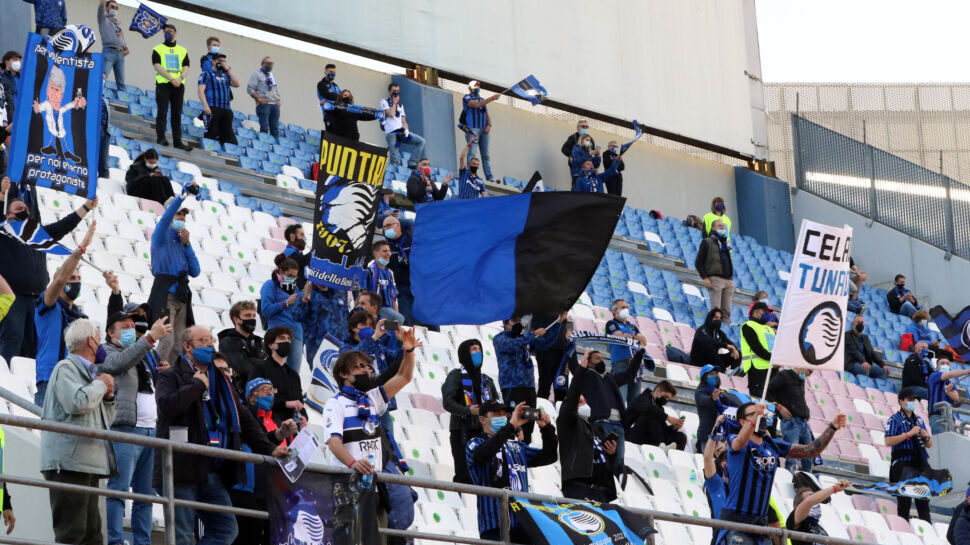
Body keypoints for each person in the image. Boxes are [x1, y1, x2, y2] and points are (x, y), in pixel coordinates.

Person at [155, 326, 289, 544]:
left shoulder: (222, 381)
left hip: (213, 472)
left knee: (226, 530)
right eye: (204, 341)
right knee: (181, 535)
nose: (210, 346)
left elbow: (244, 418)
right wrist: (196, 385)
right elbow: (167, 406)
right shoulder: (171, 375)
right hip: (182, 469)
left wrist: (269, 448)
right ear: (188, 346)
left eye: (211, 341)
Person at [323, 330, 421, 544]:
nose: (366, 370)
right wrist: (353, 462)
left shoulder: (373, 398)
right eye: (359, 367)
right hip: (347, 488)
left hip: (375, 487)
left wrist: (409, 351)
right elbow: (333, 442)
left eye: (368, 366)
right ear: (343, 374)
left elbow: (404, 377)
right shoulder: (335, 403)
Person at [715, 402, 845, 545]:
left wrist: (832, 427)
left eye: (762, 414)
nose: (761, 416)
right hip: (736, 521)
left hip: (761, 524)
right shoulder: (734, 439)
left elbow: (811, 450)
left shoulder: (772, 444)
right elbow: (739, 442)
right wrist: (754, 419)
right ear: (742, 421)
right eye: (754, 414)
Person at [0, 178, 94, 364]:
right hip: (14, 297)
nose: (25, 211)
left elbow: (64, 226)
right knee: (11, 342)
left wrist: (86, 207)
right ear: (8, 214)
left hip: (37, 299)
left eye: (26, 209)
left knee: (34, 346)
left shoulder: (39, 235)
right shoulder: (4, 231)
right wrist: (2, 196)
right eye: (19, 209)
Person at [40, 318, 117, 545]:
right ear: (91, 341)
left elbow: (106, 421)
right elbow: (77, 402)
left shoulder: (90, 375)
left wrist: (109, 398)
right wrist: (102, 385)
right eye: (98, 337)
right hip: (69, 464)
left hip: (87, 463)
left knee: (92, 536)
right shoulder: (65, 368)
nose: (101, 342)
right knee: (71, 534)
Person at [99, 310, 172, 545]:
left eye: (133, 325)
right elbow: (118, 364)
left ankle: (143, 542)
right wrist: (149, 338)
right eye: (125, 326)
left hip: (151, 432)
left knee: (145, 496)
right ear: (110, 332)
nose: (131, 330)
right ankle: (115, 541)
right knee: (118, 491)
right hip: (126, 431)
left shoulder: (142, 355)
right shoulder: (106, 351)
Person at [466, 400, 558, 543]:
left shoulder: (516, 446)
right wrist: (510, 427)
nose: (502, 417)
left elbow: (549, 456)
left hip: (523, 521)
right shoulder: (475, 443)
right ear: (482, 419)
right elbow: (482, 454)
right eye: (496, 414)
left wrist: (546, 429)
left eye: (504, 414)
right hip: (494, 522)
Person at [33, 222, 99, 407]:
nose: (75, 282)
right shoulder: (47, 306)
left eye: (78, 279)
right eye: (72, 278)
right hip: (50, 380)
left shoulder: (82, 318)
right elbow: (61, 277)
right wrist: (80, 249)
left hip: (76, 382)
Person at [231, 378, 299, 545]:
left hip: (279, 489)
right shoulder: (248, 416)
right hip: (254, 488)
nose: (270, 393)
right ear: (252, 397)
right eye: (264, 389)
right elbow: (258, 442)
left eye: (271, 389)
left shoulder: (276, 419)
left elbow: (285, 445)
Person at [569, 348, 645, 474]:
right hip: (601, 424)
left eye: (602, 358)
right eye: (598, 359)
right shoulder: (586, 376)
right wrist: (571, 346)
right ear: (589, 362)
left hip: (618, 425)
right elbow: (574, 367)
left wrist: (638, 355)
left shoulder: (610, 378)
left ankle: (616, 489)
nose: (602, 360)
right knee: (604, 458)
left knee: (618, 462)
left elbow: (629, 374)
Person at [149, 184, 201, 363]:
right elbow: (166, 218)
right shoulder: (161, 235)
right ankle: (157, 374)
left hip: (182, 295)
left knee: (179, 343)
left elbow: (196, 271)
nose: (182, 217)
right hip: (166, 293)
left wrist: (187, 244)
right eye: (179, 213)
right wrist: (183, 196)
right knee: (166, 339)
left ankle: (169, 378)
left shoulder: (182, 240)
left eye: (184, 214)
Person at [493, 314, 564, 444]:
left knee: (528, 425)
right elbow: (512, 345)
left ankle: (525, 455)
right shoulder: (500, 338)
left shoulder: (524, 339)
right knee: (515, 424)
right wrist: (532, 333)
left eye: (520, 320)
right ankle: (511, 456)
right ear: (506, 323)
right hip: (512, 387)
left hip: (529, 387)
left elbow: (546, 341)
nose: (518, 323)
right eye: (515, 320)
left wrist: (558, 323)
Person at [558, 354, 619, 503]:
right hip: (579, 488)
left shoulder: (596, 429)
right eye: (579, 402)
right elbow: (571, 397)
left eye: (584, 401)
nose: (584, 403)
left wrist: (611, 453)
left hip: (602, 490)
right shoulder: (568, 423)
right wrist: (581, 371)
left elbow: (603, 458)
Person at [442, 338, 499, 484]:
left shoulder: (487, 381)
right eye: (473, 349)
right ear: (465, 353)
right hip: (463, 433)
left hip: (485, 434)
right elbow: (448, 402)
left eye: (479, 349)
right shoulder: (456, 376)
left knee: (486, 476)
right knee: (464, 475)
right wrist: (468, 411)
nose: (477, 352)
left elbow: (498, 406)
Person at [884, 387, 933, 522]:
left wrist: (926, 437)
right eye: (909, 400)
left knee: (923, 502)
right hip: (902, 463)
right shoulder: (895, 419)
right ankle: (903, 529)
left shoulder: (919, 420)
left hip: (920, 463)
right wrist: (908, 434)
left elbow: (929, 445)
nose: (912, 402)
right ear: (901, 401)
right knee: (904, 502)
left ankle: (927, 534)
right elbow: (888, 441)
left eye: (914, 400)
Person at [248, 326, 307, 424]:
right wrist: (285, 404)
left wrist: (304, 416)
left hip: (292, 428)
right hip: (268, 425)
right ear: (271, 345)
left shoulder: (293, 375)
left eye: (289, 339)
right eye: (282, 338)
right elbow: (256, 399)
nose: (286, 342)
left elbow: (299, 402)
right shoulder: (260, 368)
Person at [259, 255, 308, 371]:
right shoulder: (270, 285)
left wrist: (305, 296)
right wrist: (285, 303)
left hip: (296, 334)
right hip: (277, 332)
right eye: (290, 276)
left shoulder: (295, 288)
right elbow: (265, 310)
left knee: (294, 373)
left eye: (295, 277)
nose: (292, 279)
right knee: (276, 370)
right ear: (280, 271)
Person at [152, 24, 191, 150]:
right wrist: (171, 78)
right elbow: (157, 66)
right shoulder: (157, 49)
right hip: (164, 84)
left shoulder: (182, 50)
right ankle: (161, 137)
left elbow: (186, 67)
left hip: (178, 86)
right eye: (166, 31)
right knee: (162, 112)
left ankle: (177, 141)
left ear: (175, 33)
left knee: (177, 114)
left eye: (171, 31)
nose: (169, 33)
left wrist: (180, 79)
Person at [766, 367, 814, 472]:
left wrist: (805, 412)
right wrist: (779, 407)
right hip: (791, 422)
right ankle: (790, 478)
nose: (808, 375)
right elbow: (767, 392)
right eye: (808, 371)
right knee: (792, 456)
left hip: (803, 422)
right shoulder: (783, 376)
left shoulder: (800, 380)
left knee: (809, 456)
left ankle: (807, 481)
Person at [218, 300, 266, 394]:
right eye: (247, 315)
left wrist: (250, 361)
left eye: (253, 316)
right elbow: (243, 368)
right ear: (236, 319)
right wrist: (259, 364)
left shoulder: (259, 342)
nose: (252, 319)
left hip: (262, 391)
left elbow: (270, 368)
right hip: (240, 393)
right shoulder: (227, 341)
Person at [605, 299, 647, 402]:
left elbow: (644, 341)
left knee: (635, 402)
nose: (626, 309)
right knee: (620, 398)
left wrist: (630, 337)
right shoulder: (611, 324)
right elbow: (620, 338)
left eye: (627, 307)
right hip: (621, 364)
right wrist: (634, 337)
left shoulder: (632, 326)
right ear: (614, 311)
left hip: (636, 366)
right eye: (623, 307)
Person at [625, 380, 687, 450]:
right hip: (632, 434)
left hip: (651, 438)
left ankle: (671, 456)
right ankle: (660, 446)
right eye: (665, 396)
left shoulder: (659, 408)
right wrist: (668, 417)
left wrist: (674, 427)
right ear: (658, 390)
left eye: (668, 399)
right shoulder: (643, 398)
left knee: (681, 437)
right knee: (652, 414)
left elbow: (662, 429)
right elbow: (649, 408)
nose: (666, 400)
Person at [786, 480, 852, 545]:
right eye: (813, 498)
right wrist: (835, 488)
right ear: (798, 505)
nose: (816, 503)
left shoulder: (819, 527)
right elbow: (807, 503)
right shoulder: (794, 522)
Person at [696, 219, 735, 320]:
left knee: (727, 311)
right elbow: (698, 262)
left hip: (729, 280)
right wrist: (705, 278)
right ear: (713, 228)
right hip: (715, 279)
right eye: (719, 226)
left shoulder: (725, 242)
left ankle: (725, 332)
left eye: (723, 226)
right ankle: (714, 332)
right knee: (716, 311)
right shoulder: (707, 242)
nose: (722, 227)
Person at [198, 53, 240, 145]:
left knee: (227, 137)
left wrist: (228, 69)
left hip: (226, 109)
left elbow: (237, 84)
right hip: (213, 108)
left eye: (223, 61)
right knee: (211, 134)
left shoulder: (225, 75)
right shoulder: (206, 74)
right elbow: (200, 90)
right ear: (213, 61)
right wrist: (205, 106)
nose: (221, 63)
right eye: (219, 61)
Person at [380, 83, 426, 168]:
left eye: (397, 92)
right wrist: (394, 103)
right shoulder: (384, 101)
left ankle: (412, 163)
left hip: (401, 131)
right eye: (394, 91)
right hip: (391, 132)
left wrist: (406, 130)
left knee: (421, 141)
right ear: (389, 92)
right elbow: (391, 114)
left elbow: (404, 121)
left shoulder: (401, 106)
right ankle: (393, 173)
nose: (396, 93)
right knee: (395, 157)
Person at [461, 80, 499, 181]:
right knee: (472, 152)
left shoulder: (482, 99)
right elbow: (476, 105)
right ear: (469, 88)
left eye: (478, 85)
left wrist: (489, 124)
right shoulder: (466, 97)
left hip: (483, 130)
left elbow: (486, 113)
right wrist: (491, 98)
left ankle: (489, 177)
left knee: (485, 154)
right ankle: (469, 174)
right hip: (473, 129)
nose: (477, 87)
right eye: (474, 86)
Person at [381, 216, 415, 324]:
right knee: (406, 321)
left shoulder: (412, 239)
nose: (386, 229)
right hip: (401, 288)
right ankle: (403, 340)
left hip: (419, 286)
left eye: (389, 225)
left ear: (398, 225)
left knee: (428, 318)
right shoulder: (385, 247)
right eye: (384, 227)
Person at [365, 240, 406, 323]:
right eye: (384, 251)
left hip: (387, 311)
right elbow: (363, 293)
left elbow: (393, 297)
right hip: (375, 310)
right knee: (400, 320)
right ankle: (379, 328)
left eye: (389, 251)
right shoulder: (369, 270)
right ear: (376, 253)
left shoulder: (390, 273)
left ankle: (384, 329)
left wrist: (396, 315)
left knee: (397, 324)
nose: (388, 254)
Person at [926, 357, 970, 434]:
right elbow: (950, 374)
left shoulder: (950, 383)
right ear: (937, 367)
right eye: (942, 363)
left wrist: (948, 392)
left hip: (949, 417)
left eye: (947, 363)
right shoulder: (934, 375)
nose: (945, 365)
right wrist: (967, 371)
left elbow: (956, 398)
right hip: (937, 416)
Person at [740, 302, 775, 397]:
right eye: (766, 312)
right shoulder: (748, 326)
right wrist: (773, 359)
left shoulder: (768, 328)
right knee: (759, 399)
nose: (768, 314)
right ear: (756, 312)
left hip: (771, 368)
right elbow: (757, 348)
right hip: (757, 369)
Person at [844, 314, 888, 379]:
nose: (860, 324)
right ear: (852, 324)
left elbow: (872, 353)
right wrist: (863, 361)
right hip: (852, 364)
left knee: (883, 372)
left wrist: (883, 364)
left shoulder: (865, 337)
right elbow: (854, 351)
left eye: (862, 323)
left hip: (865, 364)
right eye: (858, 322)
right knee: (864, 368)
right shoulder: (847, 335)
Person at [247, 56, 281, 139]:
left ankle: (274, 148)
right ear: (262, 64)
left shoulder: (271, 76)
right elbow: (250, 88)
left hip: (274, 105)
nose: (270, 65)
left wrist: (278, 100)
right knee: (264, 127)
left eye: (271, 63)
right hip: (264, 105)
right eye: (268, 63)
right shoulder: (257, 74)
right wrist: (259, 99)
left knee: (275, 129)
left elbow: (275, 90)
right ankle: (263, 145)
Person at [695, 364, 726, 451]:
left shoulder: (718, 391)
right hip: (707, 435)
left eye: (716, 373)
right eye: (711, 374)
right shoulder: (700, 391)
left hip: (719, 436)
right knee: (708, 462)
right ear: (704, 377)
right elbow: (703, 400)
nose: (715, 376)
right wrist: (713, 398)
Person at [97, 0, 127, 88]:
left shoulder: (118, 23)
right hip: (109, 52)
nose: (114, 9)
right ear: (107, 8)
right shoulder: (103, 19)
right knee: (102, 78)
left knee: (121, 82)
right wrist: (102, 2)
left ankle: (122, 101)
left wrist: (125, 48)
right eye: (112, 7)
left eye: (116, 8)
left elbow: (121, 37)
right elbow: (100, 9)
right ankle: (99, 98)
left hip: (120, 54)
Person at [282, 223, 310, 289]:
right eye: (301, 235)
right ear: (292, 237)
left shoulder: (298, 253)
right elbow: (303, 261)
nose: (304, 237)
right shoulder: (289, 253)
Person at [317, 63, 340, 129]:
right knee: (331, 136)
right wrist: (336, 96)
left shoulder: (335, 86)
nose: (332, 74)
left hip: (338, 113)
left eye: (334, 72)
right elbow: (328, 95)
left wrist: (334, 94)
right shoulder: (321, 84)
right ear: (325, 72)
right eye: (330, 72)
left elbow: (340, 97)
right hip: (329, 113)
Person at [0, 52, 22, 117]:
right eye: (15, 60)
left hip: (21, 116)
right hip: (8, 117)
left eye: (19, 60)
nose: (18, 62)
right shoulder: (2, 79)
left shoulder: (22, 79)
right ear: (6, 62)